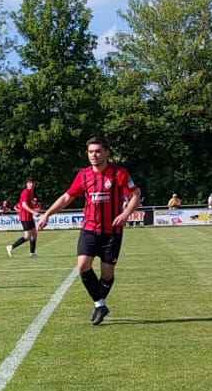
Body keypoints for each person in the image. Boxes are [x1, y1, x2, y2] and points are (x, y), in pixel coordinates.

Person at [35, 136, 141, 325]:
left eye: (98, 151)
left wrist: (126, 213)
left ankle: (99, 304)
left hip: (112, 232)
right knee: (83, 265)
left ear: (106, 152)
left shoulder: (118, 173)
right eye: (91, 152)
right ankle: (100, 304)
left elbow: (135, 195)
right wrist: (47, 214)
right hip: (90, 229)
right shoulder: (83, 175)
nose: (94, 155)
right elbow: (67, 197)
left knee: (107, 275)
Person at [6, 177, 42, 258]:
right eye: (30, 183)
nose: (31, 184)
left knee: (34, 234)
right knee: (27, 236)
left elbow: (29, 205)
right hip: (25, 217)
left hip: (29, 217)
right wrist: (33, 212)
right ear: (27, 184)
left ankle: (32, 253)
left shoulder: (31, 193)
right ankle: (11, 247)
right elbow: (24, 205)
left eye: (33, 183)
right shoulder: (25, 192)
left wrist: (34, 211)